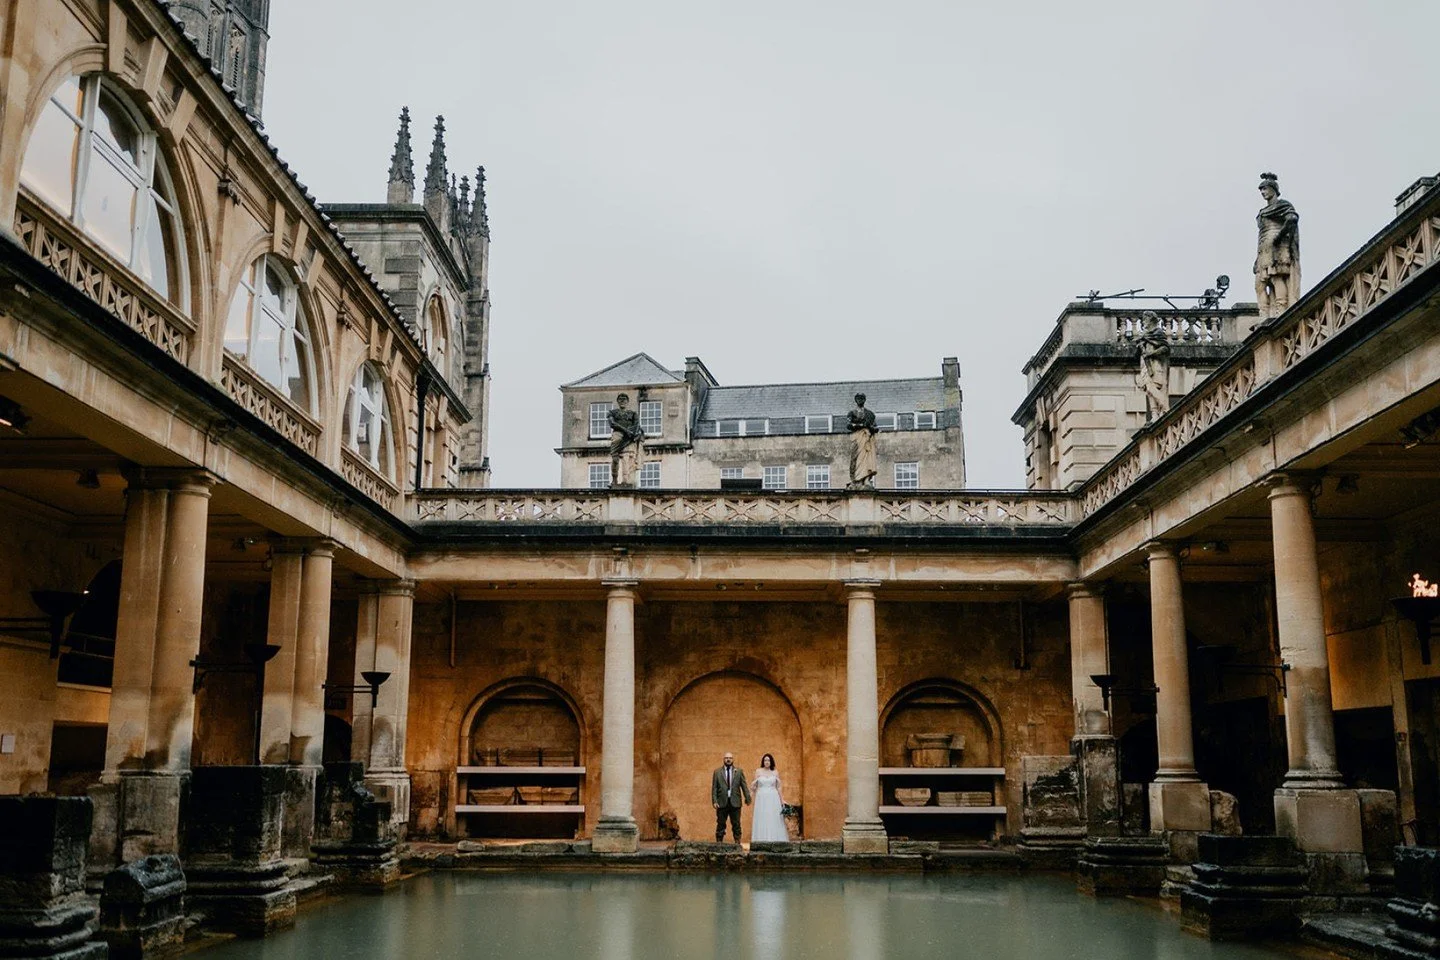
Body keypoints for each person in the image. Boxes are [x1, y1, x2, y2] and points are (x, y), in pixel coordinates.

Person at [1254, 172, 1301, 319]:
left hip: (1277, 248)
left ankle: (1281, 310)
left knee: (1276, 278)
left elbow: (1292, 219)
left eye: (1265, 189)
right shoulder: (1262, 211)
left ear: (1273, 189)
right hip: (1263, 249)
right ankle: (1263, 314)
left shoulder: (1282, 205)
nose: (1263, 192)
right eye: (1261, 190)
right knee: (1260, 284)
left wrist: (1279, 237)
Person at [711, 751, 751, 843]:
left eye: (730, 758)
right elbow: (714, 788)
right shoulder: (717, 772)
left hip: (735, 802)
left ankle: (737, 842)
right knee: (720, 823)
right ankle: (719, 843)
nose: (728, 759)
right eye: (726, 758)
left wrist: (747, 798)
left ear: (733, 759)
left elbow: (744, 786)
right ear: (723, 759)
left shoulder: (739, 771)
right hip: (721, 802)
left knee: (736, 824)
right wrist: (714, 801)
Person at [749, 753, 789, 843]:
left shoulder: (775, 772)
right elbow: (754, 786)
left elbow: (779, 787)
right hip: (761, 798)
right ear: (763, 762)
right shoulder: (758, 771)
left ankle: (775, 840)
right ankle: (761, 840)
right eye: (765, 760)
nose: (767, 762)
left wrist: (782, 800)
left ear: (771, 762)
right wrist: (750, 796)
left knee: (773, 817)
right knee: (762, 817)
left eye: (768, 760)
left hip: (773, 798)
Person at [608, 393, 644, 487]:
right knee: (615, 459)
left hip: (629, 437)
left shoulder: (633, 414)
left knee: (627, 458)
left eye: (624, 399)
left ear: (627, 401)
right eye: (620, 399)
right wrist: (626, 430)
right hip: (617, 435)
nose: (622, 401)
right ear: (617, 401)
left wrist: (633, 434)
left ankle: (626, 481)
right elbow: (612, 424)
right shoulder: (613, 412)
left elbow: (637, 425)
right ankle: (614, 480)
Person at [847, 393, 878, 488]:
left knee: (868, 458)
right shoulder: (852, 413)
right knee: (857, 458)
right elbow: (848, 425)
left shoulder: (870, 414)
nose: (860, 400)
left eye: (862, 398)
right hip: (857, 438)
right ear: (856, 400)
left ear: (864, 400)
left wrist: (870, 428)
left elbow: (876, 428)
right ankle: (857, 480)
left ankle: (866, 479)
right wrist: (862, 425)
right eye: (858, 398)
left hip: (867, 439)